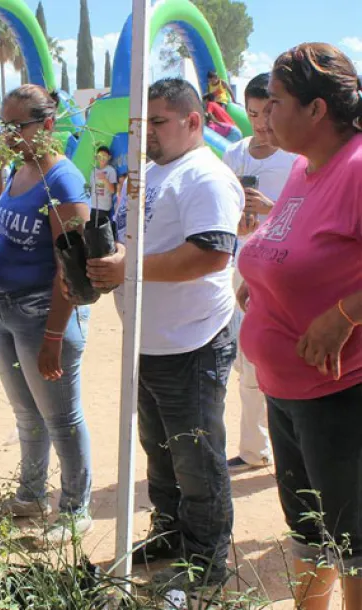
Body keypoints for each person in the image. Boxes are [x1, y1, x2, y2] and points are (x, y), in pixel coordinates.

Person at [87, 78, 243, 591]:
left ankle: (207, 560)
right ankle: (171, 532)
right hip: (149, 342)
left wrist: (129, 270)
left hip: (192, 343)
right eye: (142, 124)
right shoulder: (151, 173)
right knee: (159, 450)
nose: (146, 133)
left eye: (157, 122)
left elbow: (211, 253)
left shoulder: (205, 177)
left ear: (193, 121)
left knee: (196, 458)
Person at [238, 43, 362, 610]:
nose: (265, 116)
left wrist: (343, 316)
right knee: (310, 533)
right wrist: (257, 279)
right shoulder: (300, 167)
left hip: (340, 395)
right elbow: (294, 243)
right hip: (286, 392)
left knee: (355, 545)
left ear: (317, 111)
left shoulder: (357, 168)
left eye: (278, 103)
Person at [0, 85, 93, 545]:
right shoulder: (20, 171)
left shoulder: (62, 182)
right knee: (26, 414)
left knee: (61, 418)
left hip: (42, 314)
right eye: (2, 125)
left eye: (16, 126)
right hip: (3, 309)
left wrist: (52, 335)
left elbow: (71, 266)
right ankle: (30, 495)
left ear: (47, 125)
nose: (7, 134)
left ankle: (74, 508)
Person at [220, 73, 296, 474]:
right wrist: (238, 226)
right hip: (245, 270)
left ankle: (293, 455)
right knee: (247, 362)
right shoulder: (233, 154)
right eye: (252, 113)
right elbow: (220, 213)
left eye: (268, 112)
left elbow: (310, 217)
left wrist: (271, 209)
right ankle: (254, 449)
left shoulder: (299, 157)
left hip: (287, 276)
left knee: (287, 364)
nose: (261, 124)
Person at [90, 145, 118, 223]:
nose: (102, 158)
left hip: (104, 209)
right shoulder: (93, 171)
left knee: (103, 233)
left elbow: (113, 190)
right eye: (100, 156)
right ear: (96, 157)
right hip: (93, 207)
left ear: (109, 157)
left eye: (104, 156)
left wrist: (104, 179)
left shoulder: (111, 171)